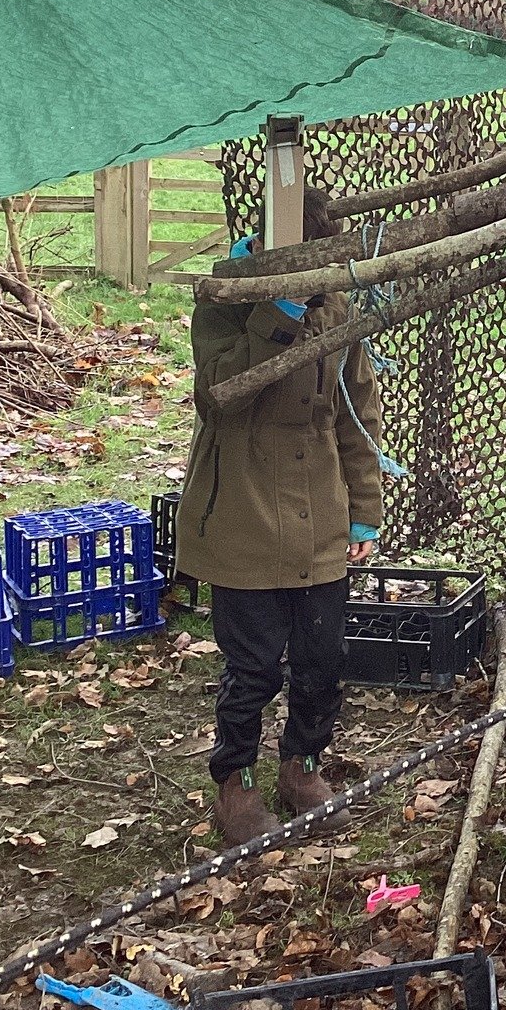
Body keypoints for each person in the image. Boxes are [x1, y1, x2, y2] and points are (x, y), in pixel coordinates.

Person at [179, 188, 384, 843]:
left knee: (322, 659)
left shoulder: (338, 306)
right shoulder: (222, 302)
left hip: (318, 510)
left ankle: (304, 766)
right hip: (243, 509)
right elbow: (220, 396)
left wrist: (363, 514)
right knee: (254, 668)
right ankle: (233, 782)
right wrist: (280, 312)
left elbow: (358, 413)